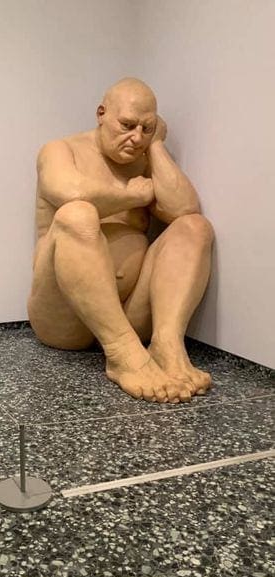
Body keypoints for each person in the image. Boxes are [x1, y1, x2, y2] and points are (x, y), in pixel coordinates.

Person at [28, 77, 214, 404]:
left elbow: (184, 209)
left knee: (195, 227)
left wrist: (156, 147)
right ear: (101, 113)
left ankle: (166, 343)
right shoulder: (61, 150)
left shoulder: (147, 159)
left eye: (147, 128)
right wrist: (130, 195)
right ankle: (121, 353)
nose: (135, 138)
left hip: (130, 314)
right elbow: (69, 192)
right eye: (127, 125)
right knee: (78, 214)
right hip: (64, 317)